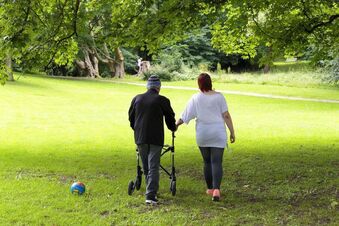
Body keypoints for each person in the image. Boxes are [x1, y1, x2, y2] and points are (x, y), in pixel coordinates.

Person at [176, 73, 235, 201]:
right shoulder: (219, 97)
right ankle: (217, 190)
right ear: (210, 83)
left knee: (207, 162)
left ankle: (210, 188)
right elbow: (226, 115)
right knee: (217, 162)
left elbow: (185, 115)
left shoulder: (195, 98)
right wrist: (232, 132)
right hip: (218, 133)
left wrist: (176, 125)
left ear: (199, 84)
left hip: (203, 134)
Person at [128, 75, 176, 204]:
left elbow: (131, 118)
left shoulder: (137, 99)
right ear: (158, 88)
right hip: (156, 137)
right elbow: (170, 118)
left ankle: (150, 189)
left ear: (147, 87)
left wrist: (137, 129)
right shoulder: (162, 100)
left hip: (140, 137)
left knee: (146, 165)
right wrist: (173, 128)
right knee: (153, 165)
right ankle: (150, 195)